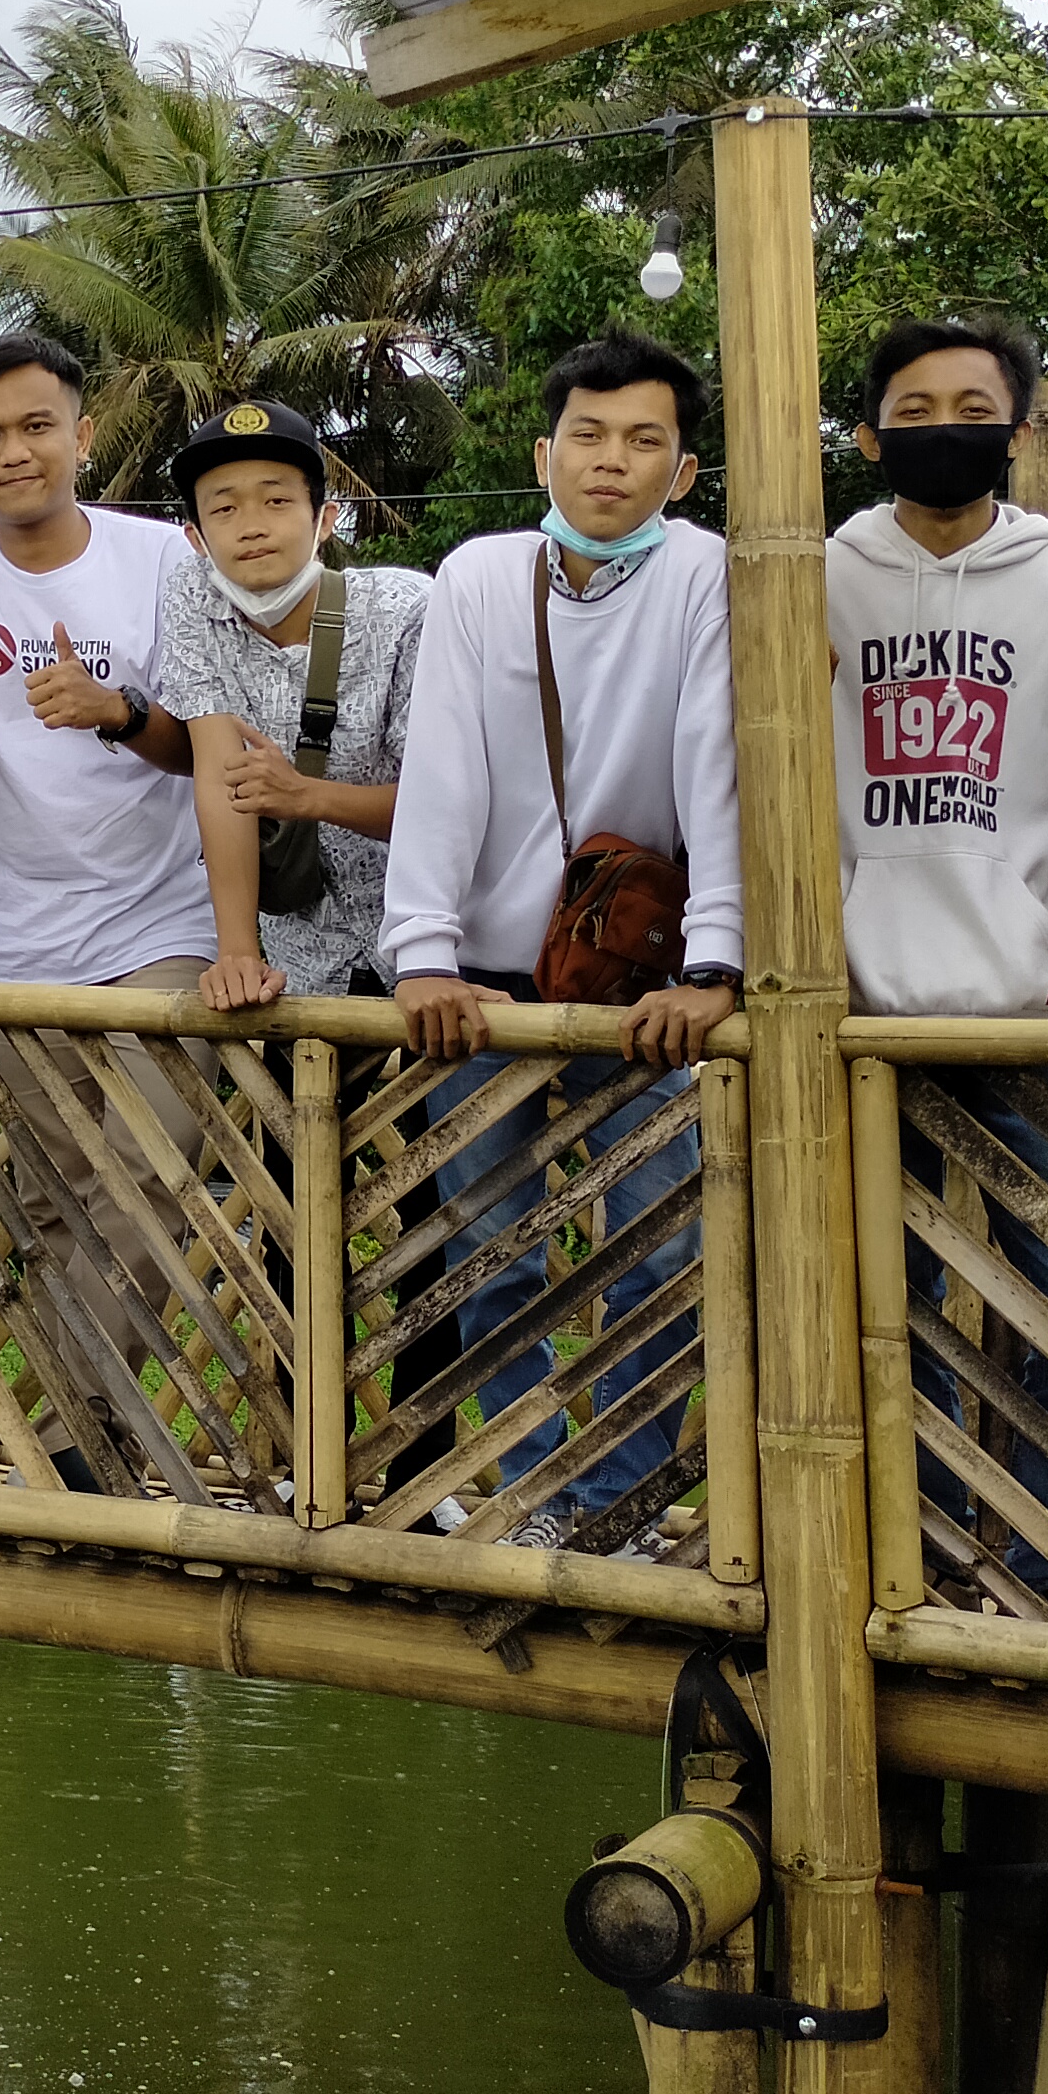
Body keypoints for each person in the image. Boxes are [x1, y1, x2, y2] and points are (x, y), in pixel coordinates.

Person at [377, 333, 747, 1546]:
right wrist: (421, 947)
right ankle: (529, 1496)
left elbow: (719, 764)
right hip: (482, 981)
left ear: (683, 471)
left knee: (661, 1241)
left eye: (645, 440)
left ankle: (622, 1504)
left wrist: (715, 961)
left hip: (646, 983)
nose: (612, 461)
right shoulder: (480, 575)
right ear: (545, 452)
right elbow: (441, 766)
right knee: (492, 1251)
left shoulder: (712, 575)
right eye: (588, 435)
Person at [828, 316, 1048, 1592]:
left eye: (970, 407)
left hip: (1034, 1020)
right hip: (864, 1025)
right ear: (867, 433)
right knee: (877, 1316)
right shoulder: (815, 577)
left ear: (1014, 429)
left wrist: (1038, 909)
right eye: (914, 406)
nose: (941, 428)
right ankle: (922, 1553)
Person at [0, 336, 212, 993]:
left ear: (82, 437)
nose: (15, 453)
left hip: (158, 927)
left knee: (153, 1103)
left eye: (37, 426)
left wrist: (118, 711)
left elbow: (205, 749)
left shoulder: (166, 558)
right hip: (6, 944)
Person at [155, 400, 429, 1012]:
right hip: (296, 970)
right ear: (195, 537)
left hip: (424, 956)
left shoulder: (408, 609)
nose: (251, 525)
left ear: (325, 518)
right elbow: (219, 775)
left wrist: (307, 797)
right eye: (223, 508)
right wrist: (237, 955)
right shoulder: (193, 601)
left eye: (276, 500)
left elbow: (447, 808)